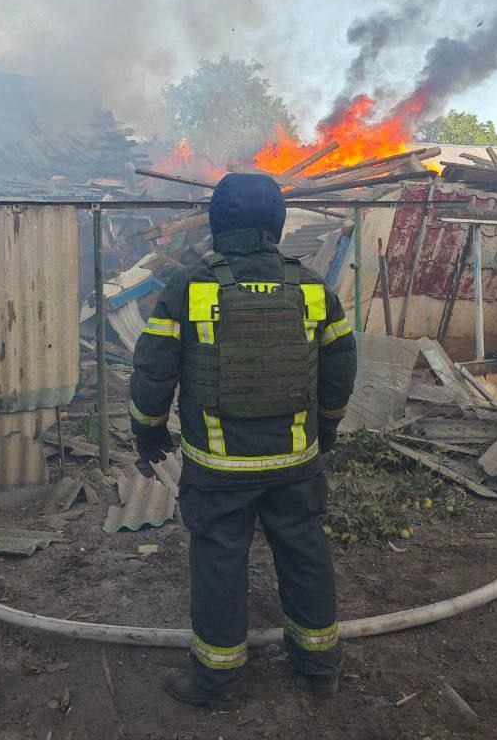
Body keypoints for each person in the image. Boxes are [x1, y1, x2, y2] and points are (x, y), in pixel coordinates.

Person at [128, 172, 358, 708]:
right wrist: (326, 428)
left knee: (219, 565)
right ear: (277, 224)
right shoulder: (311, 286)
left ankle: (218, 682)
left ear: (217, 222)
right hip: (294, 462)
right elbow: (340, 367)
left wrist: (148, 430)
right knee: (305, 554)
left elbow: (153, 372)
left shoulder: (189, 285)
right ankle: (319, 666)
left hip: (219, 468)